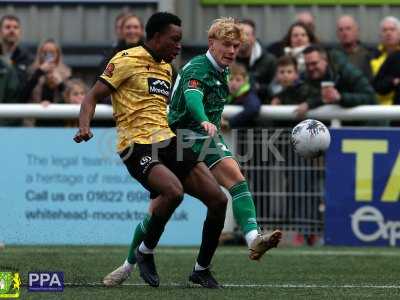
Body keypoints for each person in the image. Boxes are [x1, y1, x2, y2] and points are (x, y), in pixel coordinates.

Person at [75, 12, 228, 289]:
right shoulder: (124, 60)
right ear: (156, 37)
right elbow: (91, 96)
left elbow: (180, 106)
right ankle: (145, 252)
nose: (179, 46)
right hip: (135, 145)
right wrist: (84, 126)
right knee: (173, 192)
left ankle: (201, 269)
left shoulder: (168, 68)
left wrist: (209, 117)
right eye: (175, 40)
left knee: (218, 200)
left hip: (168, 140)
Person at [168, 17, 282, 260]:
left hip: (204, 136)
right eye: (226, 44)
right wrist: (203, 119)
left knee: (237, 181)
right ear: (211, 43)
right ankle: (131, 261)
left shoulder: (225, 69)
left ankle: (254, 239)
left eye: (236, 46)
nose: (231, 51)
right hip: (175, 138)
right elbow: (193, 98)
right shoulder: (198, 67)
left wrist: (210, 124)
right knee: (161, 208)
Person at [296, 45, 376, 118]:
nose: (310, 68)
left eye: (314, 63)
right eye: (307, 65)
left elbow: (370, 96)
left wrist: (341, 98)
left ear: (325, 61)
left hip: (360, 125)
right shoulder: (304, 76)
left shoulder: (346, 71)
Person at [236, 19, 276, 102]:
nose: (242, 38)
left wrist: (258, 87)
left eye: (246, 34)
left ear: (253, 38)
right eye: (238, 34)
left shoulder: (269, 61)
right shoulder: (226, 60)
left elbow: (275, 88)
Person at [371, 16, 400, 106]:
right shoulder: (371, 57)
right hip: (375, 109)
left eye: (392, 29)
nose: (388, 33)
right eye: (384, 30)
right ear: (380, 35)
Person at [224, 63, 261, 128]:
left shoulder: (248, 94)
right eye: (231, 79)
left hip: (245, 135)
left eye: (238, 80)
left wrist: (230, 122)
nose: (234, 83)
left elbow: (253, 109)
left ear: (245, 81)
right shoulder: (223, 94)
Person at [0, 15, 33, 89]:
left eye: (16, 27)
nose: (12, 30)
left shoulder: (27, 58)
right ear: (0, 32)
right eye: (7, 27)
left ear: (20, 32)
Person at [335, 15, 372, 80]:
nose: (344, 33)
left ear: (357, 31)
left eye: (348, 29)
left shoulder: (367, 55)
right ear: (337, 34)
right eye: (341, 30)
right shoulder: (332, 56)